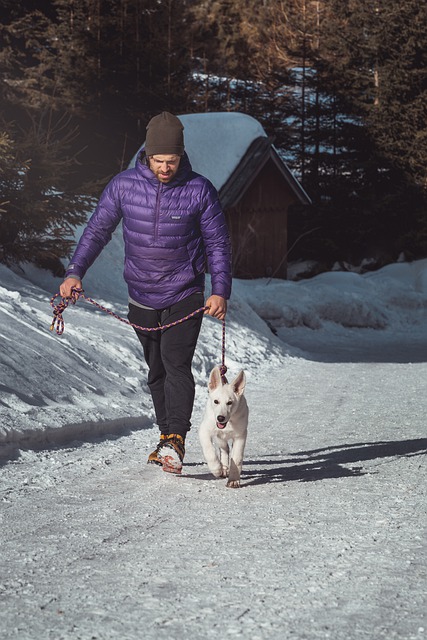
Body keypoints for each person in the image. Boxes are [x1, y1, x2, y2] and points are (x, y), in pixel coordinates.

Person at [60, 111, 232, 473]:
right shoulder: (124, 185)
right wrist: (75, 272)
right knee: (155, 371)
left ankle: (175, 440)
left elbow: (217, 242)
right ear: (147, 155)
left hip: (184, 292)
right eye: (158, 160)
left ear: (181, 156)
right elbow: (97, 230)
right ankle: (166, 436)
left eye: (171, 161)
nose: (165, 167)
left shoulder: (198, 190)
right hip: (140, 294)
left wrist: (220, 290)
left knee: (175, 363)